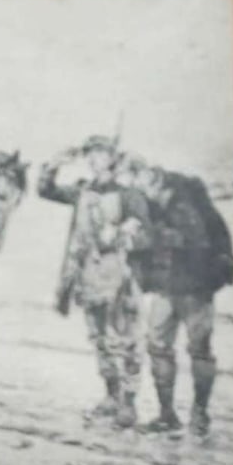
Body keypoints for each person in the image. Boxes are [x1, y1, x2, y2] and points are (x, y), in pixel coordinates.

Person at [38, 135, 152, 428]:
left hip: (120, 279)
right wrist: (53, 165)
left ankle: (128, 403)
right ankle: (111, 396)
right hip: (87, 277)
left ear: (112, 158)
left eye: (99, 154)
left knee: (124, 341)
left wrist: (122, 233)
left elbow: (146, 237)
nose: (92, 160)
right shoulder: (82, 191)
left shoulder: (131, 195)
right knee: (99, 339)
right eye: (89, 155)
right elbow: (46, 191)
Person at [135, 163, 233, 436]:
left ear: (159, 183)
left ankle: (198, 414)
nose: (144, 192)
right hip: (167, 287)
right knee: (159, 346)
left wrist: (153, 237)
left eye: (146, 185)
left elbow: (195, 241)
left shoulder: (185, 205)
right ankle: (171, 413)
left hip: (195, 288)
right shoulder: (159, 207)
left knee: (196, 349)